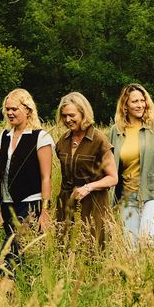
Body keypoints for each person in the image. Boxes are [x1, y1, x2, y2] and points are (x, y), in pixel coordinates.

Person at [109, 83, 154, 249]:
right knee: (130, 247)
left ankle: (151, 274)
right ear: (125, 105)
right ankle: (135, 276)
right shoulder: (116, 130)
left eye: (142, 100)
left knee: (146, 241)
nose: (140, 105)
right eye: (135, 101)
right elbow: (111, 164)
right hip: (127, 196)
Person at [0, 88, 53, 275]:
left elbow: (46, 176)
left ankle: (2, 287)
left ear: (27, 110)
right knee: (18, 250)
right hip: (7, 202)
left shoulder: (40, 137)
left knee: (11, 248)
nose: (10, 113)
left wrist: (44, 211)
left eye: (14, 109)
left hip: (30, 202)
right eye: (7, 109)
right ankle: (15, 292)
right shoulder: (4, 136)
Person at [55, 92, 118, 245]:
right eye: (64, 116)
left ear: (83, 113)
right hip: (67, 204)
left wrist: (88, 187)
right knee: (64, 250)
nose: (67, 120)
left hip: (93, 204)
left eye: (71, 115)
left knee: (92, 251)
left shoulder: (99, 140)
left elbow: (113, 178)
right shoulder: (62, 141)